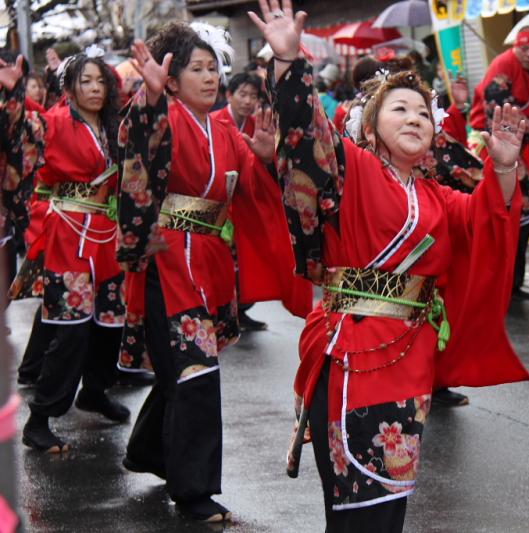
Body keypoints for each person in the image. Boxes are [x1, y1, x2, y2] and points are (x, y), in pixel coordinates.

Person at [248, 1, 529, 530]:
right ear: (370, 126)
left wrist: (506, 168)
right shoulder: (351, 169)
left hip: (410, 356)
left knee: (387, 506)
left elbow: (488, 219)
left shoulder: (436, 197)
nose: (415, 118)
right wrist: (290, 62)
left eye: (423, 112)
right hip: (353, 351)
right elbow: (308, 137)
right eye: (399, 109)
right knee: (362, 511)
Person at [118, 22, 310, 522]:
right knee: (195, 370)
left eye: (213, 68)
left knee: (182, 368)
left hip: (206, 260)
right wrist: (151, 103)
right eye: (196, 69)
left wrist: (267, 160)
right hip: (165, 257)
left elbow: (254, 191)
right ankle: (193, 490)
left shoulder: (225, 129)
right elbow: (139, 151)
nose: (210, 78)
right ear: (171, 77)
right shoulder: (163, 115)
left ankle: (146, 451)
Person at [0, 47, 131, 453]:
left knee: (111, 323)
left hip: (107, 235)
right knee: (69, 330)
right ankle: (40, 418)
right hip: (68, 234)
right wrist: (14, 94)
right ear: (69, 88)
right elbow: (18, 137)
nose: (94, 89)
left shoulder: (115, 126)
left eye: (100, 81)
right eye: (85, 81)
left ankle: (94, 390)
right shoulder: (52, 122)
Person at [470, 25, 529, 301]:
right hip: (499, 147)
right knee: (500, 212)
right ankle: (496, 282)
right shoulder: (503, 64)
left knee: (524, 216)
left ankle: (513, 281)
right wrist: (525, 123)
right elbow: (494, 106)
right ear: (516, 46)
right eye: (525, 48)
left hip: (528, 149)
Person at [211, 71, 270, 332]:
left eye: (253, 96)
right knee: (223, 263)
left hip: (245, 201)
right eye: (242, 94)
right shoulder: (214, 121)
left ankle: (242, 310)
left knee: (247, 260)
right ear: (229, 95)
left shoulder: (256, 125)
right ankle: (221, 312)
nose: (247, 101)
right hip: (221, 202)